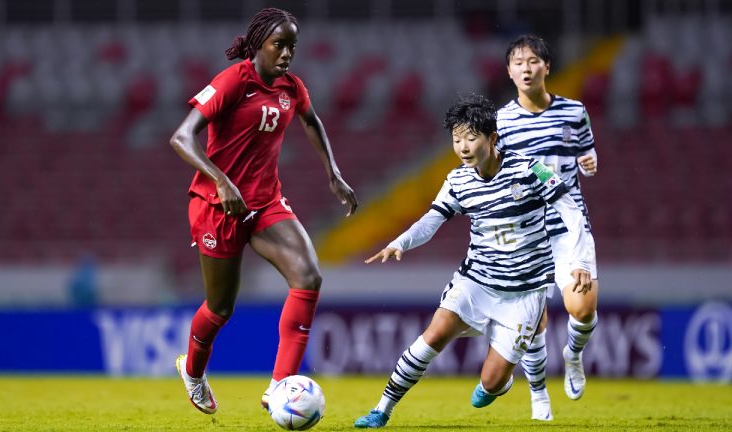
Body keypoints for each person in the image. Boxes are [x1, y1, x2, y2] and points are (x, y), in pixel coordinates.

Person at [353, 93, 592, 428]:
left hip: (524, 292)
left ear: (492, 138)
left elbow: (570, 209)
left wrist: (579, 260)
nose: (463, 147)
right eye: (456, 139)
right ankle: (382, 409)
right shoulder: (457, 180)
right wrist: (400, 243)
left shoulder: (529, 169)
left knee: (491, 384)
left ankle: (501, 382)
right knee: (433, 335)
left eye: (470, 138)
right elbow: (432, 220)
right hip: (477, 280)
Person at [169, 8, 358, 415]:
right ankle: (194, 372)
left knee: (308, 276)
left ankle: (279, 387)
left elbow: (312, 121)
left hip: (264, 202)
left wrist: (334, 173)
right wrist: (221, 179)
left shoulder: (292, 87)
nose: (287, 53)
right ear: (258, 45)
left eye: (293, 45)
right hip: (217, 207)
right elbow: (181, 137)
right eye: (279, 44)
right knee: (220, 307)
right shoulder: (234, 81)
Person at [496, 34, 599, 421]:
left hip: (569, 224)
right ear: (509, 71)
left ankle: (573, 354)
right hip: (526, 229)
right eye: (518, 62)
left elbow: (586, 148)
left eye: (533, 61)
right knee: (532, 319)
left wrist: (589, 161)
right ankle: (539, 396)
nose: (526, 67)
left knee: (583, 307)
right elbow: (497, 171)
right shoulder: (501, 121)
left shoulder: (574, 112)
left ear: (547, 67)